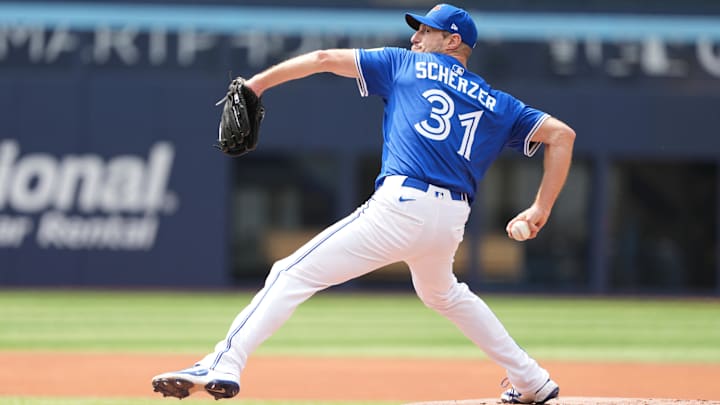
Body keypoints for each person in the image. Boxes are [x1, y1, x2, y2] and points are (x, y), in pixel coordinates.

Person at [152, 3, 575, 404]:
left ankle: (224, 363)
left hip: (402, 205)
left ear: (452, 41)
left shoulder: (404, 64)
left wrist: (256, 84)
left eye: (425, 30)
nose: (415, 38)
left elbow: (321, 57)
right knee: (443, 294)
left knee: (290, 272)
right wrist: (540, 209)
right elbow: (562, 135)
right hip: (450, 220)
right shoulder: (498, 102)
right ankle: (531, 379)